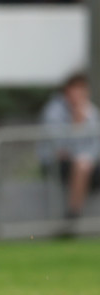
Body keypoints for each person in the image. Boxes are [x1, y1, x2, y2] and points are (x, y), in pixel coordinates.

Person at [38, 72, 100, 223]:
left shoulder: (91, 112)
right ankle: (73, 214)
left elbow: (96, 145)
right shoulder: (54, 111)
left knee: (83, 164)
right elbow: (59, 147)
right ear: (67, 91)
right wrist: (76, 123)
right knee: (81, 164)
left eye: (82, 90)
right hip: (57, 164)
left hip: (88, 164)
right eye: (75, 89)